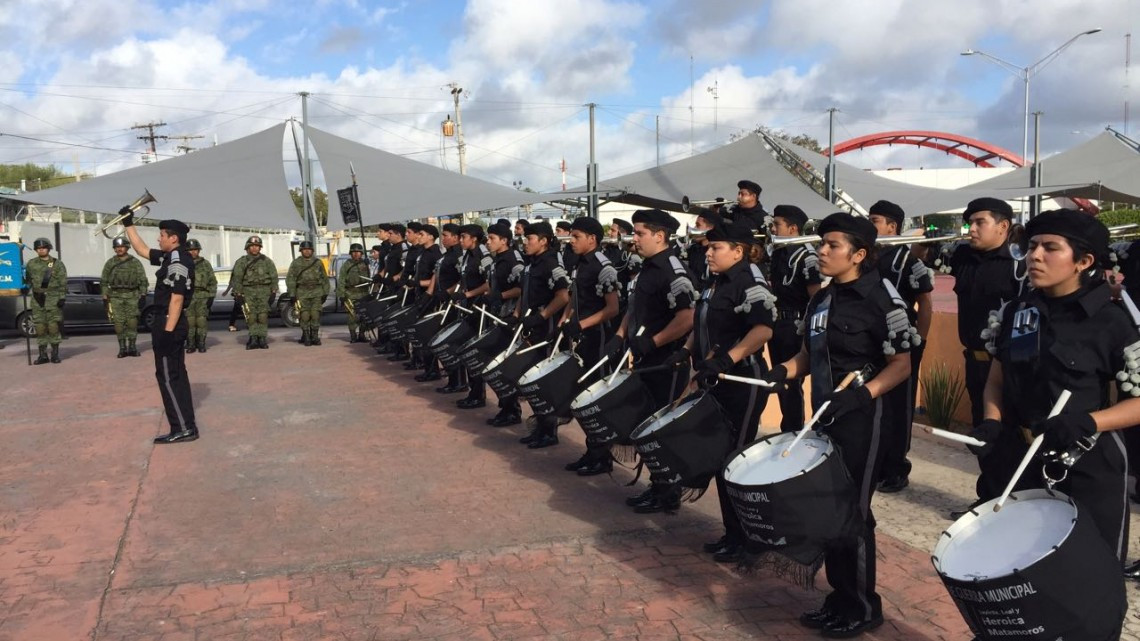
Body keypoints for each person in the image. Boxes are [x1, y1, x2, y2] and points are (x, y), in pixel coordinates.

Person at [982, 210, 1136, 630]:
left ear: (1084, 261)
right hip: (1021, 460)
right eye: (1031, 246)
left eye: (1051, 247)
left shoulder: (1112, 320)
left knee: (1094, 581)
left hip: (1088, 466)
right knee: (1019, 574)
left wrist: (1089, 421)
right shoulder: (1018, 310)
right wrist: (992, 421)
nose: (1035, 255)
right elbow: (996, 378)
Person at [764, 213, 913, 637]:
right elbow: (810, 355)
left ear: (859, 254)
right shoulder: (822, 298)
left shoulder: (883, 298)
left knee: (853, 513)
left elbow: (901, 365)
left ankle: (863, 605)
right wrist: (785, 370)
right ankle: (840, 595)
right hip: (823, 418)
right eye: (820, 244)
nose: (821, 251)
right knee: (828, 508)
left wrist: (863, 394)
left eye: (831, 245)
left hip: (864, 420)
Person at [672, 222, 775, 562]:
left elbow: (762, 331)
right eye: (708, 247)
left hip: (741, 382)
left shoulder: (750, 281)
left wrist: (727, 359)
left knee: (736, 461)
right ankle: (734, 533)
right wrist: (687, 350)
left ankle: (751, 538)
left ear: (739, 250)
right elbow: (703, 321)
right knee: (720, 458)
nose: (708, 252)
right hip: (715, 379)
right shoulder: (715, 282)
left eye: (715, 247)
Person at [930, 198, 1026, 509]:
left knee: (1010, 436)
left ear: (1003, 226)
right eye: (969, 222)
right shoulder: (963, 257)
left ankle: (1013, 502)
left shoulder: (1018, 264)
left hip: (1008, 367)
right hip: (974, 360)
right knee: (983, 434)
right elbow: (926, 257)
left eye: (979, 222)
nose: (971, 229)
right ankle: (987, 499)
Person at [613, 209, 697, 514]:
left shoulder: (672, 270)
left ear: (659, 236)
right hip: (646, 357)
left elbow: (688, 317)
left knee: (662, 426)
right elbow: (635, 305)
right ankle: (658, 484)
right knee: (647, 422)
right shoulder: (648, 267)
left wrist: (654, 341)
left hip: (667, 361)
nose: (633, 239)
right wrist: (621, 335)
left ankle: (668, 490)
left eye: (639, 233)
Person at [867, 200, 933, 493]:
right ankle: (876, 461)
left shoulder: (909, 262)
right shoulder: (868, 258)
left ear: (892, 227)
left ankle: (896, 467)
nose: (871, 226)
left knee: (900, 406)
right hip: (872, 341)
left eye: (875, 221)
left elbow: (926, 304)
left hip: (903, 341)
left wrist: (920, 340)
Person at [119, 213, 199, 444]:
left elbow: (176, 298)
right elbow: (142, 250)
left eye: (162, 235)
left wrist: (167, 331)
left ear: (173, 238)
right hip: (168, 320)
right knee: (175, 376)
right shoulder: (169, 257)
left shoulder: (178, 261)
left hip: (169, 321)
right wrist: (128, 225)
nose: (158, 239)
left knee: (168, 377)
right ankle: (185, 425)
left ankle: (183, 428)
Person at [559, 217, 621, 474]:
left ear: (592, 239)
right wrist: (566, 319)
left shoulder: (603, 267)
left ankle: (602, 455)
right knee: (581, 394)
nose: (571, 241)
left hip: (599, 339)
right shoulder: (579, 264)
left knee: (596, 397)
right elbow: (574, 296)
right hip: (582, 337)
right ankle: (592, 450)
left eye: (576, 237)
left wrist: (582, 325)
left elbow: (613, 308)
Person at [515, 221, 572, 448]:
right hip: (531, 326)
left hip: (546, 330)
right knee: (532, 378)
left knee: (543, 380)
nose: (525, 243)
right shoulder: (531, 264)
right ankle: (540, 426)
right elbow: (524, 292)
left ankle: (549, 431)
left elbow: (563, 296)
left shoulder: (551, 262)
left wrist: (542, 316)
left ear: (544, 240)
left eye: (529, 239)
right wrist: (518, 314)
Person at [767, 205, 822, 432]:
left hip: (795, 324)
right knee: (780, 380)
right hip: (778, 324)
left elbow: (815, 296)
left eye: (777, 224)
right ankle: (787, 427)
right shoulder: (779, 252)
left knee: (792, 382)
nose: (772, 228)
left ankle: (793, 430)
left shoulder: (807, 256)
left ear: (792, 228)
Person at [482, 223, 526, 425]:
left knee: (506, 364)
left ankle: (512, 409)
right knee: (496, 362)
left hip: (509, 316)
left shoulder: (514, 260)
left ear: (504, 240)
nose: (488, 242)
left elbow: (521, 289)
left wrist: (500, 295)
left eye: (492, 238)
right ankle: (506, 406)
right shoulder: (495, 260)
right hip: (496, 315)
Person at [453, 224, 493, 408]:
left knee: (475, 352)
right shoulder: (467, 256)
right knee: (468, 351)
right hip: (467, 308)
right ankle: (473, 392)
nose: (461, 240)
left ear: (474, 239)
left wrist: (468, 295)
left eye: (463, 237)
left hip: (480, 310)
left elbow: (489, 284)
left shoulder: (483, 256)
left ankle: (479, 395)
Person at [431, 223, 466, 393]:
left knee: (452, 342)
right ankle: (453, 380)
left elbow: (462, 279)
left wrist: (449, 292)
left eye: (445, 235)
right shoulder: (448, 254)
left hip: (454, 303)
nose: (443, 238)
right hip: (444, 301)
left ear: (455, 237)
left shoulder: (459, 255)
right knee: (445, 340)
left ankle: (459, 381)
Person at [101, 236, 148, 358]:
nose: (119, 249)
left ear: (127, 247)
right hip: (116, 296)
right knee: (119, 323)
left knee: (132, 322)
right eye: (117, 247)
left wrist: (143, 295)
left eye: (121, 246)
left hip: (132, 296)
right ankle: (122, 348)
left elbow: (143, 280)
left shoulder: (135, 262)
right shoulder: (110, 263)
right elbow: (104, 281)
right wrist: (105, 296)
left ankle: (132, 347)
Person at [24, 237, 67, 364]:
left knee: (53, 327)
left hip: (53, 298)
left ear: (48, 248)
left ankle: (55, 354)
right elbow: (27, 280)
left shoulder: (57, 263)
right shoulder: (31, 264)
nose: (41, 250)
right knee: (40, 327)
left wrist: (62, 297)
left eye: (43, 248)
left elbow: (63, 282)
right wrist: (22, 288)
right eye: (39, 248)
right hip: (37, 299)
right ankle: (42, 355)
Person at [231, 235, 278, 350]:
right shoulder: (241, 262)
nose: (255, 248)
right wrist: (238, 293)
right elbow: (237, 278)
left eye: (257, 246)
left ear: (260, 248)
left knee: (262, 316)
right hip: (248, 292)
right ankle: (253, 338)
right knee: (251, 316)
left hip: (264, 292)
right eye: (252, 246)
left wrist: (273, 291)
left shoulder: (267, 261)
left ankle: (262, 338)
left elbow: (273, 277)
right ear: (248, 247)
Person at [411, 224, 443, 381]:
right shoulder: (422, 252)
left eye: (422, 234)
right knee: (423, 336)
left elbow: (436, 276)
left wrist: (421, 284)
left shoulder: (435, 254)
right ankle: (428, 368)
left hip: (429, 299)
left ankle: (433, 370)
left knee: (428, 335)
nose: (419, 236)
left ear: (431, 236)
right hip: (420, 295)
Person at [287, 240, 330, 346]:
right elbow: (290, 279)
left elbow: (324, 278)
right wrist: (292, 294)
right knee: (304, 315)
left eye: (309, 249)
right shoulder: (296, 263)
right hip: (302, 292)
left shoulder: (318, 262)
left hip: (316, 292)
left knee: (315, 315)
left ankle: (315, 337)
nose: (307, 251)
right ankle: (306, 336)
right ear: (301, 251)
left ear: (312, 251)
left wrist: (325, 292)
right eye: (304, 249)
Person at [185, 239, 217, 354]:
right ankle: (190, 344)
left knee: (201, 321)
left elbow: (212, 281)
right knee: (190, 322)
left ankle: (201, 343)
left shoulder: (205, 264)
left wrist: (211, 296)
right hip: (188, 296)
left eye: (195, 250)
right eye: (190, 250)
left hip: (202, 296)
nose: (193, 252)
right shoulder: (182, 264)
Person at [337, 242, 371, 343]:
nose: (356, 254)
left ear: (361, 253)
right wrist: (341, 295)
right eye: (354, 252)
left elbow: (371, 277)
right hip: (351, 293)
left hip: (364, 293)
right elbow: (341, 280)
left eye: (358, 252)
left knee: (364, 316)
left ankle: (362, 334)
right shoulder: (346, 265)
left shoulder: (366, 263)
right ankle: (353, 335)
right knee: (352, 316)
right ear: (351, 253)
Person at [686, 209, 722, 291]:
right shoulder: (694, 248)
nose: (694, 228)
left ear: (710, 229)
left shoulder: (718, 252)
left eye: (698, 225)